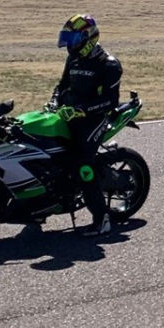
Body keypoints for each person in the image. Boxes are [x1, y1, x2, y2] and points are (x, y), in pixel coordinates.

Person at [51, 14, 124, 236]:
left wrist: (82, 110)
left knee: (83, 164)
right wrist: (54, 102)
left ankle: (102, 219)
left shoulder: (108, 64)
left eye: (72, 39)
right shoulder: (72, 59)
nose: (69, 44)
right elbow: (62, 86)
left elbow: (110, 101)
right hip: (69, 114)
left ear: (88, 37)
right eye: (68, 39)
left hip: (95, 118)